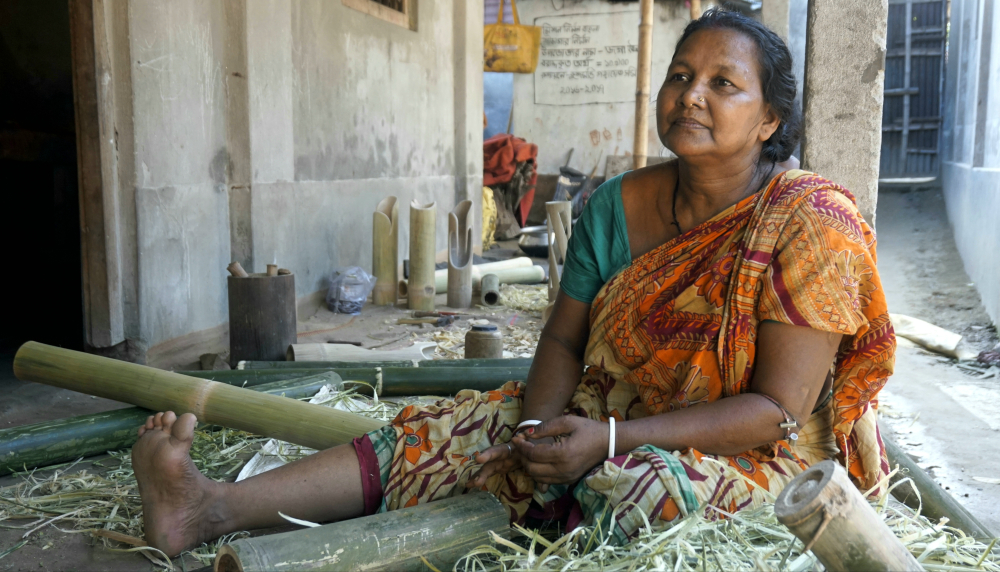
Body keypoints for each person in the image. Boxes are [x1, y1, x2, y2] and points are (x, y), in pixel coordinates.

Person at [132, 8, 894, 556]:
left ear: (768, 120)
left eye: (725, 84)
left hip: (758, 459)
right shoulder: (614, 206)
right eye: (682, 75)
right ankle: (207, 508)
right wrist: (536, 430)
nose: (691, 95)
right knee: (456, 432)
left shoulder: (809, 224)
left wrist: (609, 442)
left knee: (636, 488)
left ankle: (540, 516)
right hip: (611, 416)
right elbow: (563, 338)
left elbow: (776, 414)